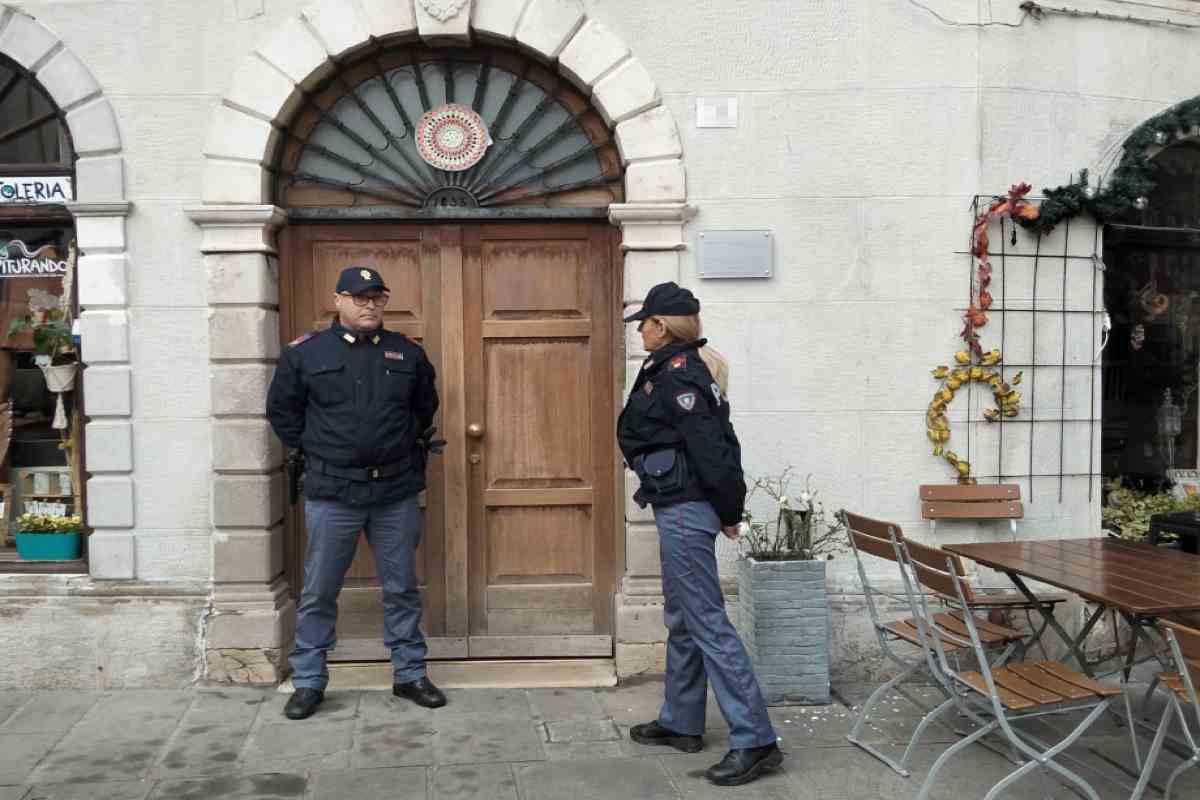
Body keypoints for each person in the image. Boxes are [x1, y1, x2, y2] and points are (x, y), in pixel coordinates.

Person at [617, 282, 782, 786]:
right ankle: (682, 721)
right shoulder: (669, 368)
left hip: (688, 510)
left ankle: (755, 739)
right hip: (678, 505)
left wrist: (730, 510)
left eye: (645, 323)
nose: (640, 332)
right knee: (683, 616)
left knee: (707, 621)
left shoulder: (680, 373)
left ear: (661, 325)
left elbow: (714, 448)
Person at [266, 266, 446, 720]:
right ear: (338, 300)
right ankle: (309, 681)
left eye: (377, 298)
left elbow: (424, 408)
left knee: (401, 587)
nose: (370, 305)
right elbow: (283, 413)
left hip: (394, 490)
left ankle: (409, 674)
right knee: (319, 590)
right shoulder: (305, 354)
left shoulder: (406, 353)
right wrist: (324, 449)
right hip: (333, 490)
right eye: (360, 297)